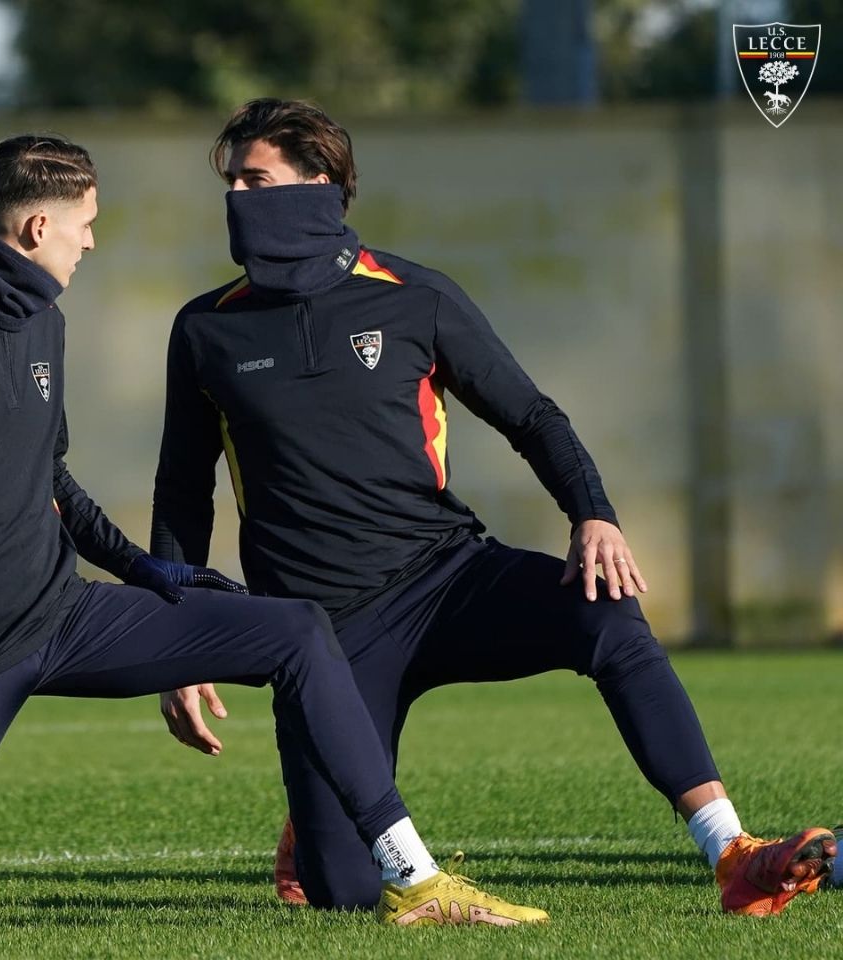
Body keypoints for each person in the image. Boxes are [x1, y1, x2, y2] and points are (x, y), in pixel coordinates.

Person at [0, 135, 550, 934]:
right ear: (38, 226)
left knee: (296, 631)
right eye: (85, 225)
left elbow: (53, 480)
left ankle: (412, 877)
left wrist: (146, 570)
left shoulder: (44, 322)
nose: (90, 243)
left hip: (67, 619)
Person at [150, 99, 836, 918]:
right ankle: (317, 818)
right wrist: (176, 639)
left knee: (608, 614)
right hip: (320, 635)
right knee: (344, 896)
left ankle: (730, 851)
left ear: (319, 183)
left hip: (444, 579)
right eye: (230, 182)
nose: (236, 197)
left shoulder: (415, 296)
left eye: (255, 180)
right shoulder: (205, 329)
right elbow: (181, 490)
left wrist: (593, 514)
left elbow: (531, 416)